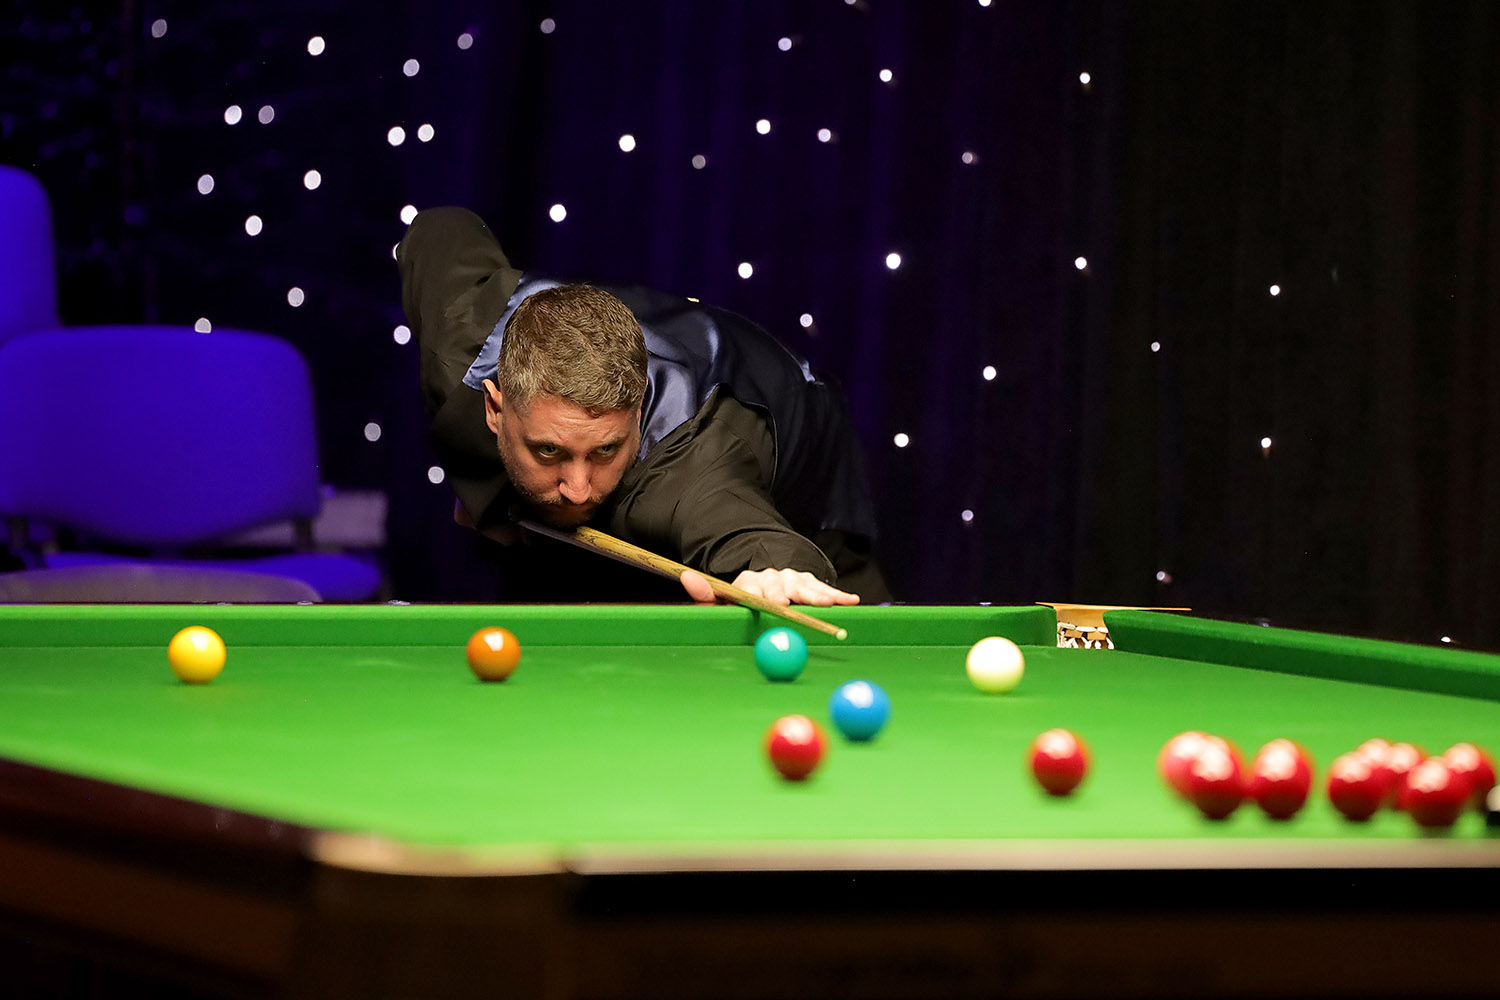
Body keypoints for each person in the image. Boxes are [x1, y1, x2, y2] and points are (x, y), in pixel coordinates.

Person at [399, 207, 891, 607]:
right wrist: (485, 488)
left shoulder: (686, 469)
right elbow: (440, 229)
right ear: (494, 408)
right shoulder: (462, 339)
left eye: (605, 450)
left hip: (797, 426)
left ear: (636, 416)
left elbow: (750, 537)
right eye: (549, 450)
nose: (578, 488)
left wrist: (777, 571)